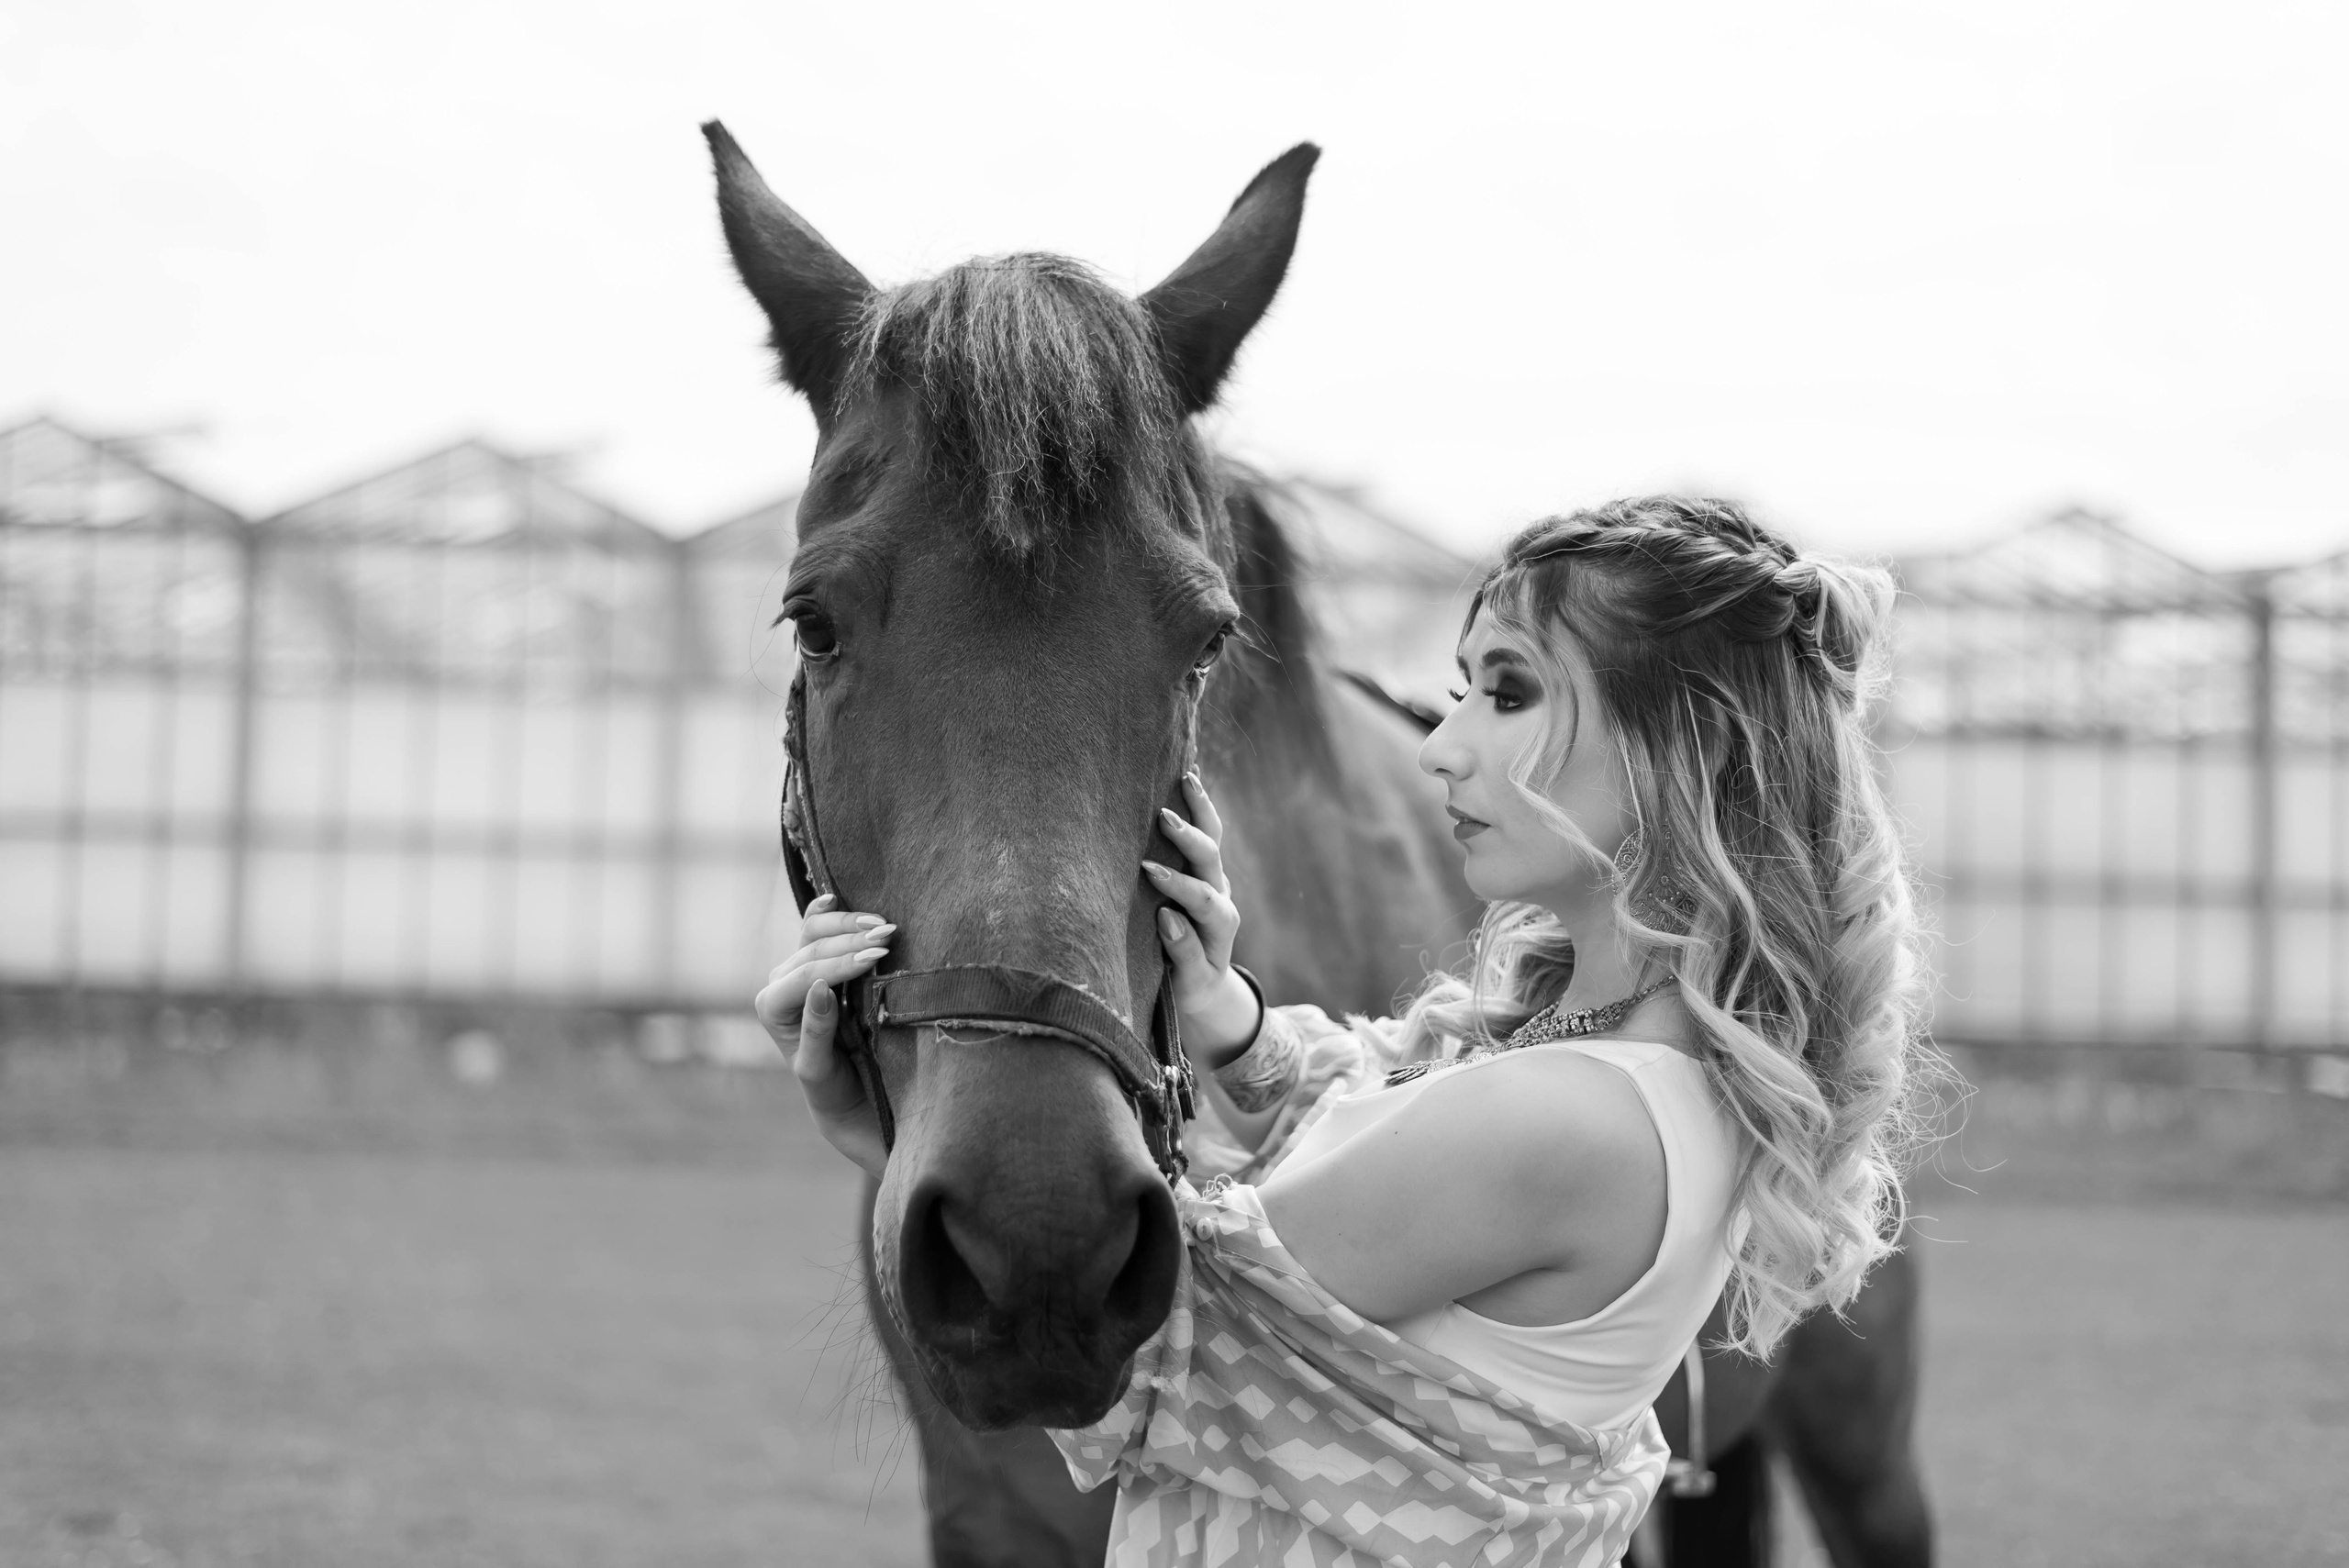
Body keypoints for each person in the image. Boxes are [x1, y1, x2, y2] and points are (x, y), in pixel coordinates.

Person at [760, 495, 1937, 1566]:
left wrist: (879, 1132)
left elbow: (1125, 1355)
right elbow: (1379, 1085)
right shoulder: (1623, 1063)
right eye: (1464, 685)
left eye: (1511, 692)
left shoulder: (1559, 1120)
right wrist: (1226, 1011)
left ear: (1695, 747)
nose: (1440, 741)